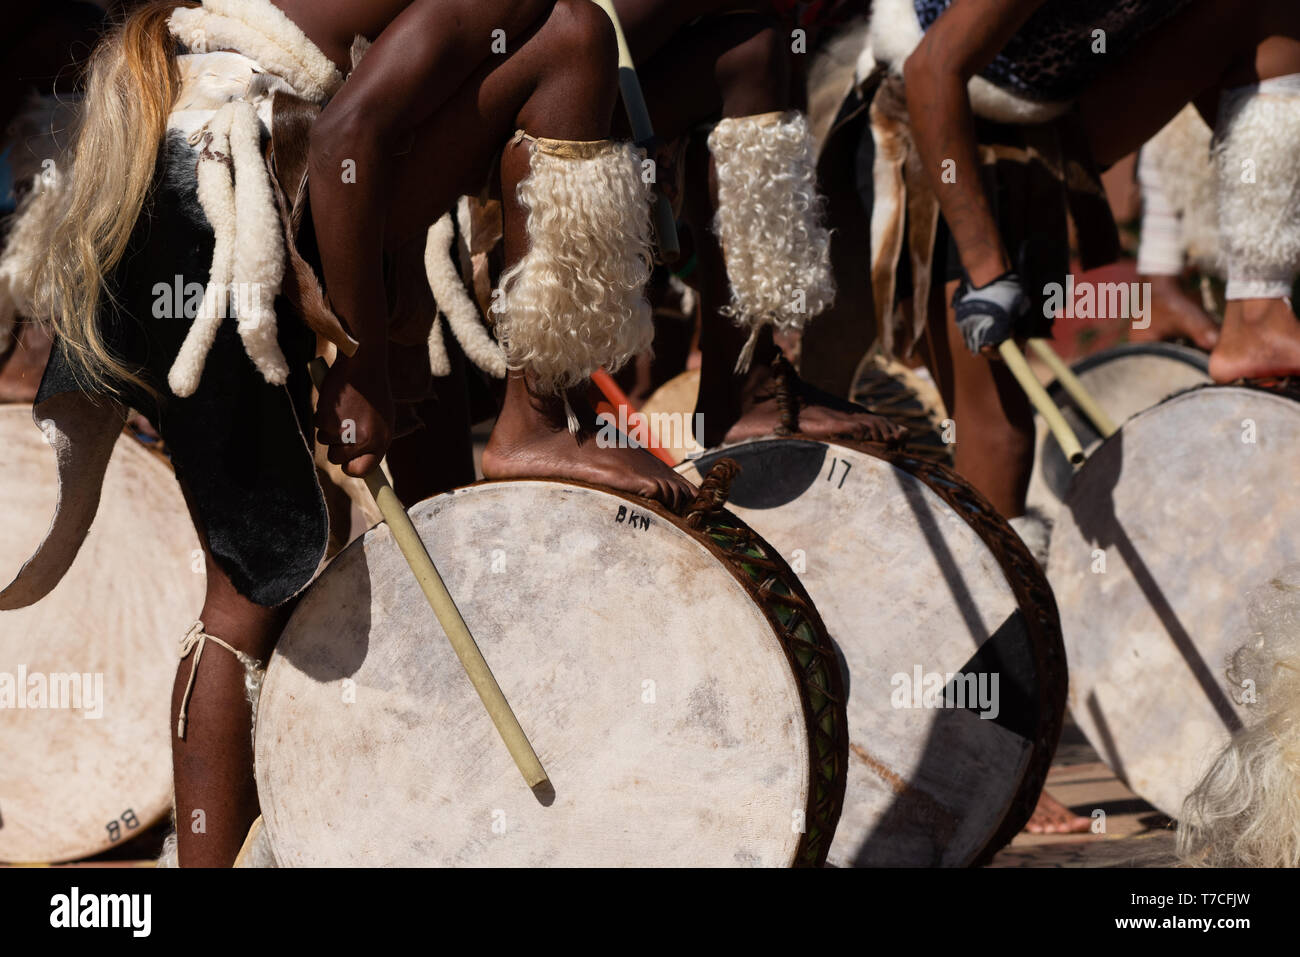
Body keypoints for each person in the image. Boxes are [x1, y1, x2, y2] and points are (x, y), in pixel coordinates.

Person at [3, 0, 691, 866]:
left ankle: (532, 416)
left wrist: (384, 298)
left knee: (573, 41)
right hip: (212, 204)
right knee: (250, 590)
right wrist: (361, 371)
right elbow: (345, 141)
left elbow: (370, 125)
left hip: (216, 176)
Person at [613, 0, 905, 447]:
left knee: (755, 50)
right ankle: (545, 414)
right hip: (541, 68)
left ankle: (743, 381)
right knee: (753, 48)